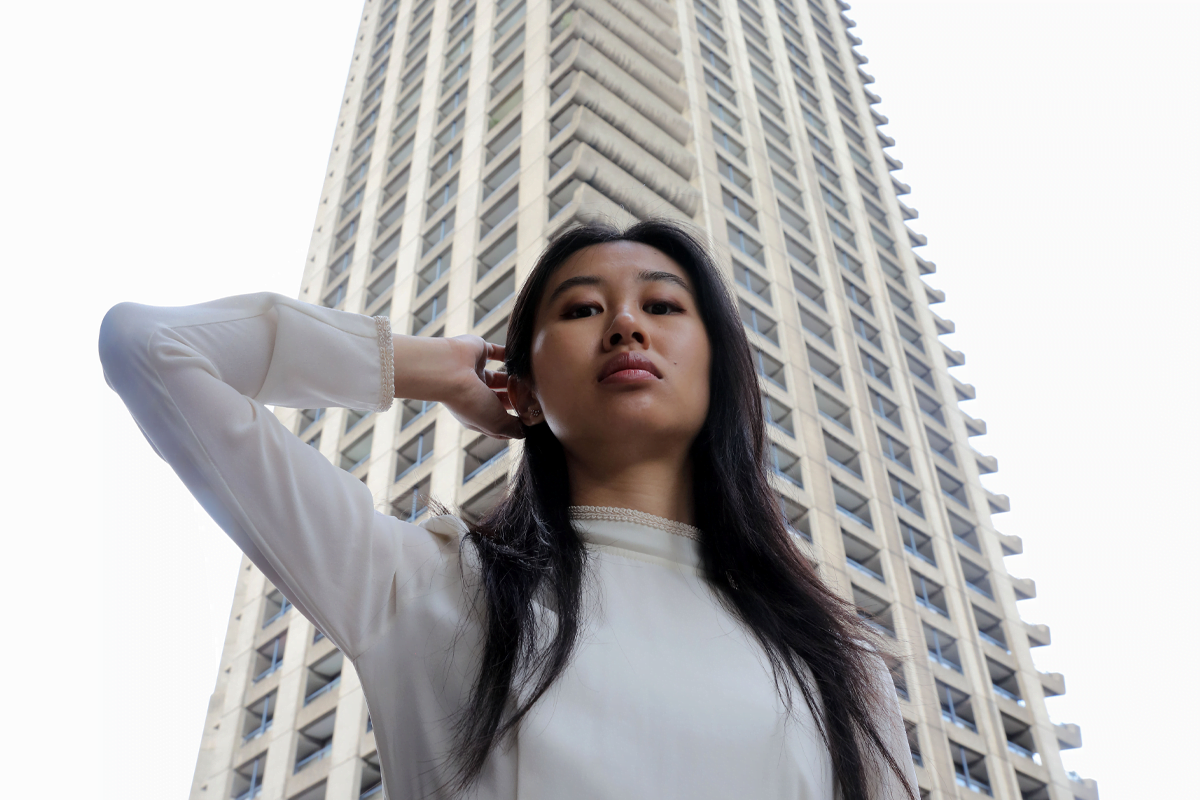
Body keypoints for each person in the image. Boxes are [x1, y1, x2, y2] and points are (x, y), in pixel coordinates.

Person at [99, 218, 917, 800]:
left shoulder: (841, 667)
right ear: (520, 387)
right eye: (582, 309)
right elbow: (152, 350)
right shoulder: (424, 589)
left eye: (663, 306)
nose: (626, 323)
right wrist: (422, 366)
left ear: (718, 371)